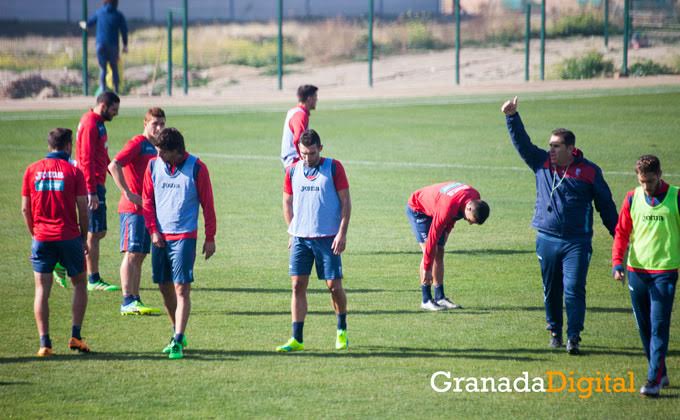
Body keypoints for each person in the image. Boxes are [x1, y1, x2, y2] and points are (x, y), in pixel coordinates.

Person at [502, 96, 618, 355]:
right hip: (547, 238)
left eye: (556, 146)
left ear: (570, 148)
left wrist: (619, 235)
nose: (551, 150)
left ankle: (573, 336)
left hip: (577, 241)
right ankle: (554, 330)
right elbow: (522, 144)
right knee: (551, 289)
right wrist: (512, 117)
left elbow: (606, 206)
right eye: (550, 146)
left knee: (574, 287)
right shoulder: (542, 163)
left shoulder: (589, 171)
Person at [142, 128, 216, 359]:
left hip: (185, 236)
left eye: (162, 152)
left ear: (176, 151)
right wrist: (153, 231)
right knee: (164, 287)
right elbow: (147, 201)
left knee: (181, 288)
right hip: (160, 237)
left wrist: (210, 237)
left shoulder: (197, 168)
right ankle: (178, 332)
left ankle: (176, 339)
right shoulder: (153, 166)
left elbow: (208, 205)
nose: (158, 155)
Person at [276, 129, 351, 352]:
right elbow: (287, 202)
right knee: (297, 285)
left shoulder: (334, 168)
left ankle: (341, 330)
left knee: (334, 287)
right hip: (301, 238)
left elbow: (346, 203)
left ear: (320, 148)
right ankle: (296, 338)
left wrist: (342, 233)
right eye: (303, 153)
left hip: (328, 238)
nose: (307, 158)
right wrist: (292, 230)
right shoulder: (292, 171)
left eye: (311, 153)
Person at [612, 155, 678, 397]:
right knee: (645, 328)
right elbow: (621, 232)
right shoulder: (632, 198)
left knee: (659, 326)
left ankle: (653, 380)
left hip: (665, 273)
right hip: (636, 272)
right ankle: (661, 371)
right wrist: (617, 263)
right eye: (642, 182)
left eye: (650, 181)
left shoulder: (676, 197)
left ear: (660, 174)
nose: (646, 187)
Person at [22, 128, 91, 357]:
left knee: (42, 289)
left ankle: (45, 343)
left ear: (49, 145)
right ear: (69, 146)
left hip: (41, 237)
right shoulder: (73, 171)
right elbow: (83, 206)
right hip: (69, 236)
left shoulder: (31, 170)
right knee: (80, 284)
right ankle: (75, 336)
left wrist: (34, 232)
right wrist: (83, 236)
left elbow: (25, 208)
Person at [108, 108, 166, 316]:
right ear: (145, 124)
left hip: (146, 210)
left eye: (162, 124)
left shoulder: (156, 147)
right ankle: (126, 300)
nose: (159, 128)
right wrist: (128, 193)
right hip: (132, 209)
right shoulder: (137, 144)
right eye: (154, 124)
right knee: (132, 254)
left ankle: (135, 298)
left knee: (140, 255)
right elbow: (113, 165)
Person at [406, 182, 490, 311]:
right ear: (469, 209)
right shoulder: (448, 207)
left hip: (438, 206)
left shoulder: (474, 197)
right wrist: (427, 269)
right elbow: (432, 239)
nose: (469, 224)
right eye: (470, 220)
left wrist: (447, 231)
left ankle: (440, 297)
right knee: (429, 252)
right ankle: (426, 299)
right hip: (419, 208)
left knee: (440, 252)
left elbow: (455, 216)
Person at [72, 91, 121, 292]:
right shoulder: (91, 123)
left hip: (97, 183)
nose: (116, 114)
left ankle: (63, 257)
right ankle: (93, 278)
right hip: (91, 185)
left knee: (96, 231)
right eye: (114, 110)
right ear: (103, 105)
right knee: (94, 231)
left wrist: (113, 173)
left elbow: (102, 154)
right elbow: (86, 159)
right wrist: (91, 191)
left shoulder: (98, 122)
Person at [80, 0, 128, 94]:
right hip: (113, 46)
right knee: (114, 68)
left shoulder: (99, 12)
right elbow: (124, 30)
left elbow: (88, 24)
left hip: (100, 45)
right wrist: (125, 44)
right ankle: (116, 90)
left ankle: (103, 89)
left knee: (103, 69)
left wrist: (83, 24)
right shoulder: (118, 15)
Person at [280, 85, 318, 167]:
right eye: (315, 96)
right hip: (294, 160)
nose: (317, 99)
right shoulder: (300, 115)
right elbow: (298, 138)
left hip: (291, 159)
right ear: (309, 98)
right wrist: (303, 158)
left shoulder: (295, 111)